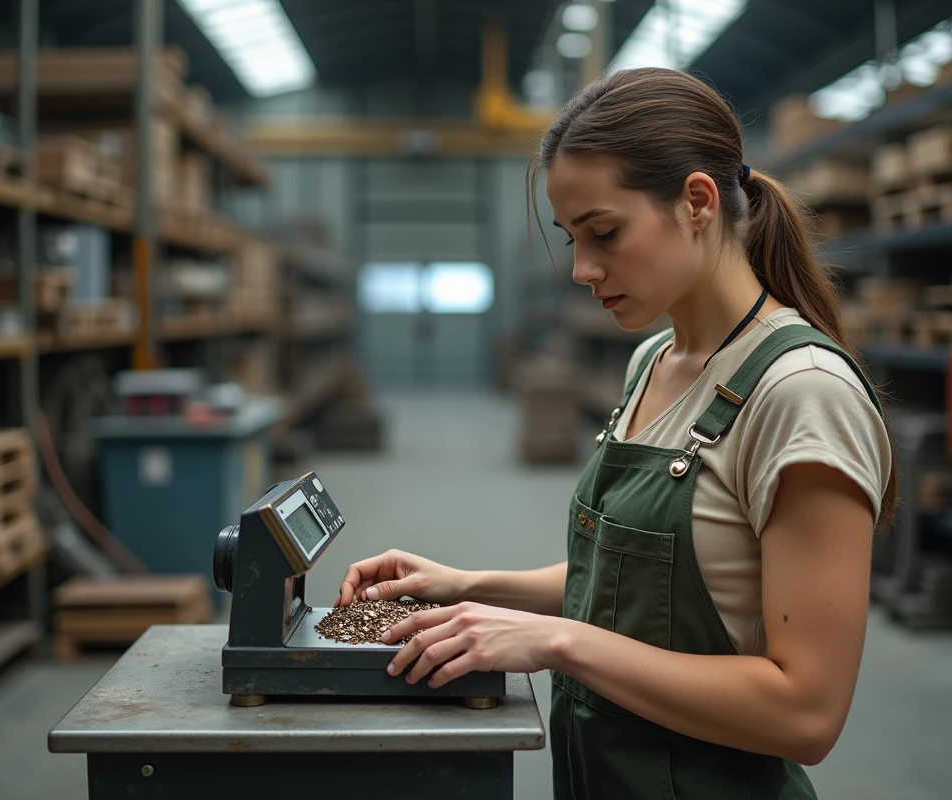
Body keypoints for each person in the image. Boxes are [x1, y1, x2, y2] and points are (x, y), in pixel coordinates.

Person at [334, 67, 895, 799]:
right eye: (572, 238)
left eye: (604, 233)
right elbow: (630, 586)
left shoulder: (802, 394)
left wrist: (559, 642)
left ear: (697, 202)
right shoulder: (650, 362)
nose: (581, 268)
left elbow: (806, 713)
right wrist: (469, 586)